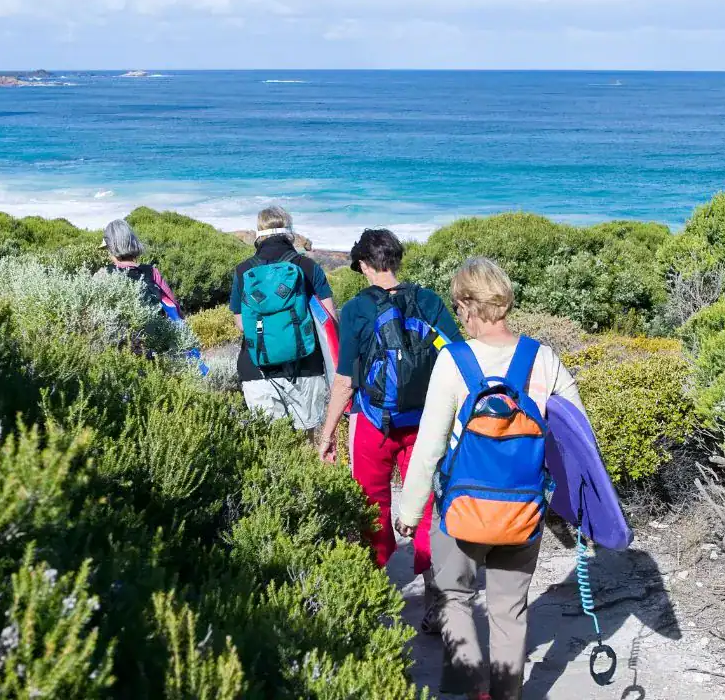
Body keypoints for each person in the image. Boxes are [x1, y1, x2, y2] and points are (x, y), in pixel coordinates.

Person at [395, 257, 583, 700]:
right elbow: (578, 435)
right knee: (509, 610)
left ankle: (471, 685)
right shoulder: (544, 358)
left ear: (466, 304)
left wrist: (409, 510)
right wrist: (578, 507)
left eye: (459, 309)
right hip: (523, 511)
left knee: (454, 598)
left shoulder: (453, 361)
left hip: (462, 510)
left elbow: (430, 447)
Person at [317, 228, 462, 634]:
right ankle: (438, 599)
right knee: (428, 506)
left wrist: (327, 434)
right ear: (396, 260)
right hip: (427, 423)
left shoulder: (357, 310)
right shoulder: (429, 300)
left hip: (374, 425)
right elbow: (457, 359)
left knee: (372, 505)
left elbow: (345, 380)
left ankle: (374, 595)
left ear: (364, 265)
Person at [230, 206, 335, 432]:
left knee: (273, 446)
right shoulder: (308, 266)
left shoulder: (242, 270)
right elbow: (329, 321)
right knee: (304, 445)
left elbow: (241, 324)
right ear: (290, 231)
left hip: (256, 370)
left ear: (259, 232)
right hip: (306, 367)